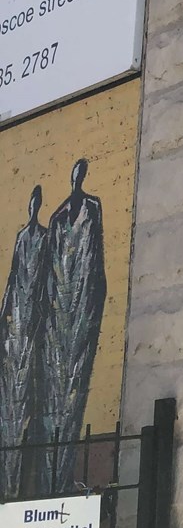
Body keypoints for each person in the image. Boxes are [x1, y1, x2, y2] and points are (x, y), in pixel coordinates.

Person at [33, 160, 106, 493]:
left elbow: (98, 248)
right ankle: (50, 478)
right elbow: (47, 267)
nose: (78, 174)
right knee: (54, 392)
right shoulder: (57, 216)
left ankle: (61, 477)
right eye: (75, 170)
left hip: (82, 304)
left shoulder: (93, 206)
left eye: (82, 170)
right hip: (58, 313)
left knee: (75, 384)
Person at [0, 187, 47, 498]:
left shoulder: (45, 236)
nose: (33, 205)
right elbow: (13, 275)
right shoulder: (21, 235)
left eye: (37, 201)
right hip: (16, 314)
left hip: (33, 315)